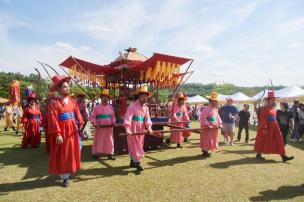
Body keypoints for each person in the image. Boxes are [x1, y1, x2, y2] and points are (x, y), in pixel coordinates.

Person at [47, 75, 83, 187]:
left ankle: (69, 171)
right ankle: (64, 177)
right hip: (62, 131)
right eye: (64, 87)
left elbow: (77, 114)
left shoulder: (72, 101)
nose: (67, 88)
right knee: (63, 153)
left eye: (68, 86)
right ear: (58, 89)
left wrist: (81, 125)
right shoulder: (54, 103)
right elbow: (52, 119)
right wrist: (57, 134)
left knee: (72, 151)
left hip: (72, 131)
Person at [254, 91, 294, 162]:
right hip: (267, 127)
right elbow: (263, 119)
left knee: (279, 140)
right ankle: (258, 154)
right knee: (263, 140)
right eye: (272, 99)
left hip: (275, 127)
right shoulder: (265, 108)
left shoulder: (273, 108)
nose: (274, 101)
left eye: (274, 100)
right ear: (269, 100)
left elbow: (275, 117)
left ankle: (283, 156)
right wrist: (264, 128)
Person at [124, 86, 153, 173]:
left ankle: (132, 161)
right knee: (134, 145)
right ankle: (138, 163)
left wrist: (149, 128)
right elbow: (128, 118)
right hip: (133, 128)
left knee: (139, 144)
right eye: (143, 95)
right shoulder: (132, 106)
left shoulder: (146, 108)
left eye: (146, 96)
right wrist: (127, 129)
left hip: (141, 129)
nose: (145, 97)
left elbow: (147, 119)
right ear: (139, 96)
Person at [90, 89, 116, 160]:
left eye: (107, 97)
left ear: (108, 98)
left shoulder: (111, 107)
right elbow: (92, 117)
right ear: (101, 98)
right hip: (99, 128)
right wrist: (95, 123)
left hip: (109, 128)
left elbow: (113, 117)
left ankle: (110, 153)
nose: (105, 98)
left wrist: (113, 122)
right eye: (104, 97)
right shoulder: (96, 107)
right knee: (98, 140)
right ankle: (96, 153)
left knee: (109, 140)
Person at [200, 92, 222, 158]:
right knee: (207, 140)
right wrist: (207, 125)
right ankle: (205, 152)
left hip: (213, 129)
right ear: (211, 101)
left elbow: (217, 117)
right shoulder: (206, 109)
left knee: (211, 140)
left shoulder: (215, 109)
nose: (217, 102)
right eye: (216, 101)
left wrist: (220, 123)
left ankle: (206, 151)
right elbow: (203, 118)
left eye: (217, 101)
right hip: (207, 128)